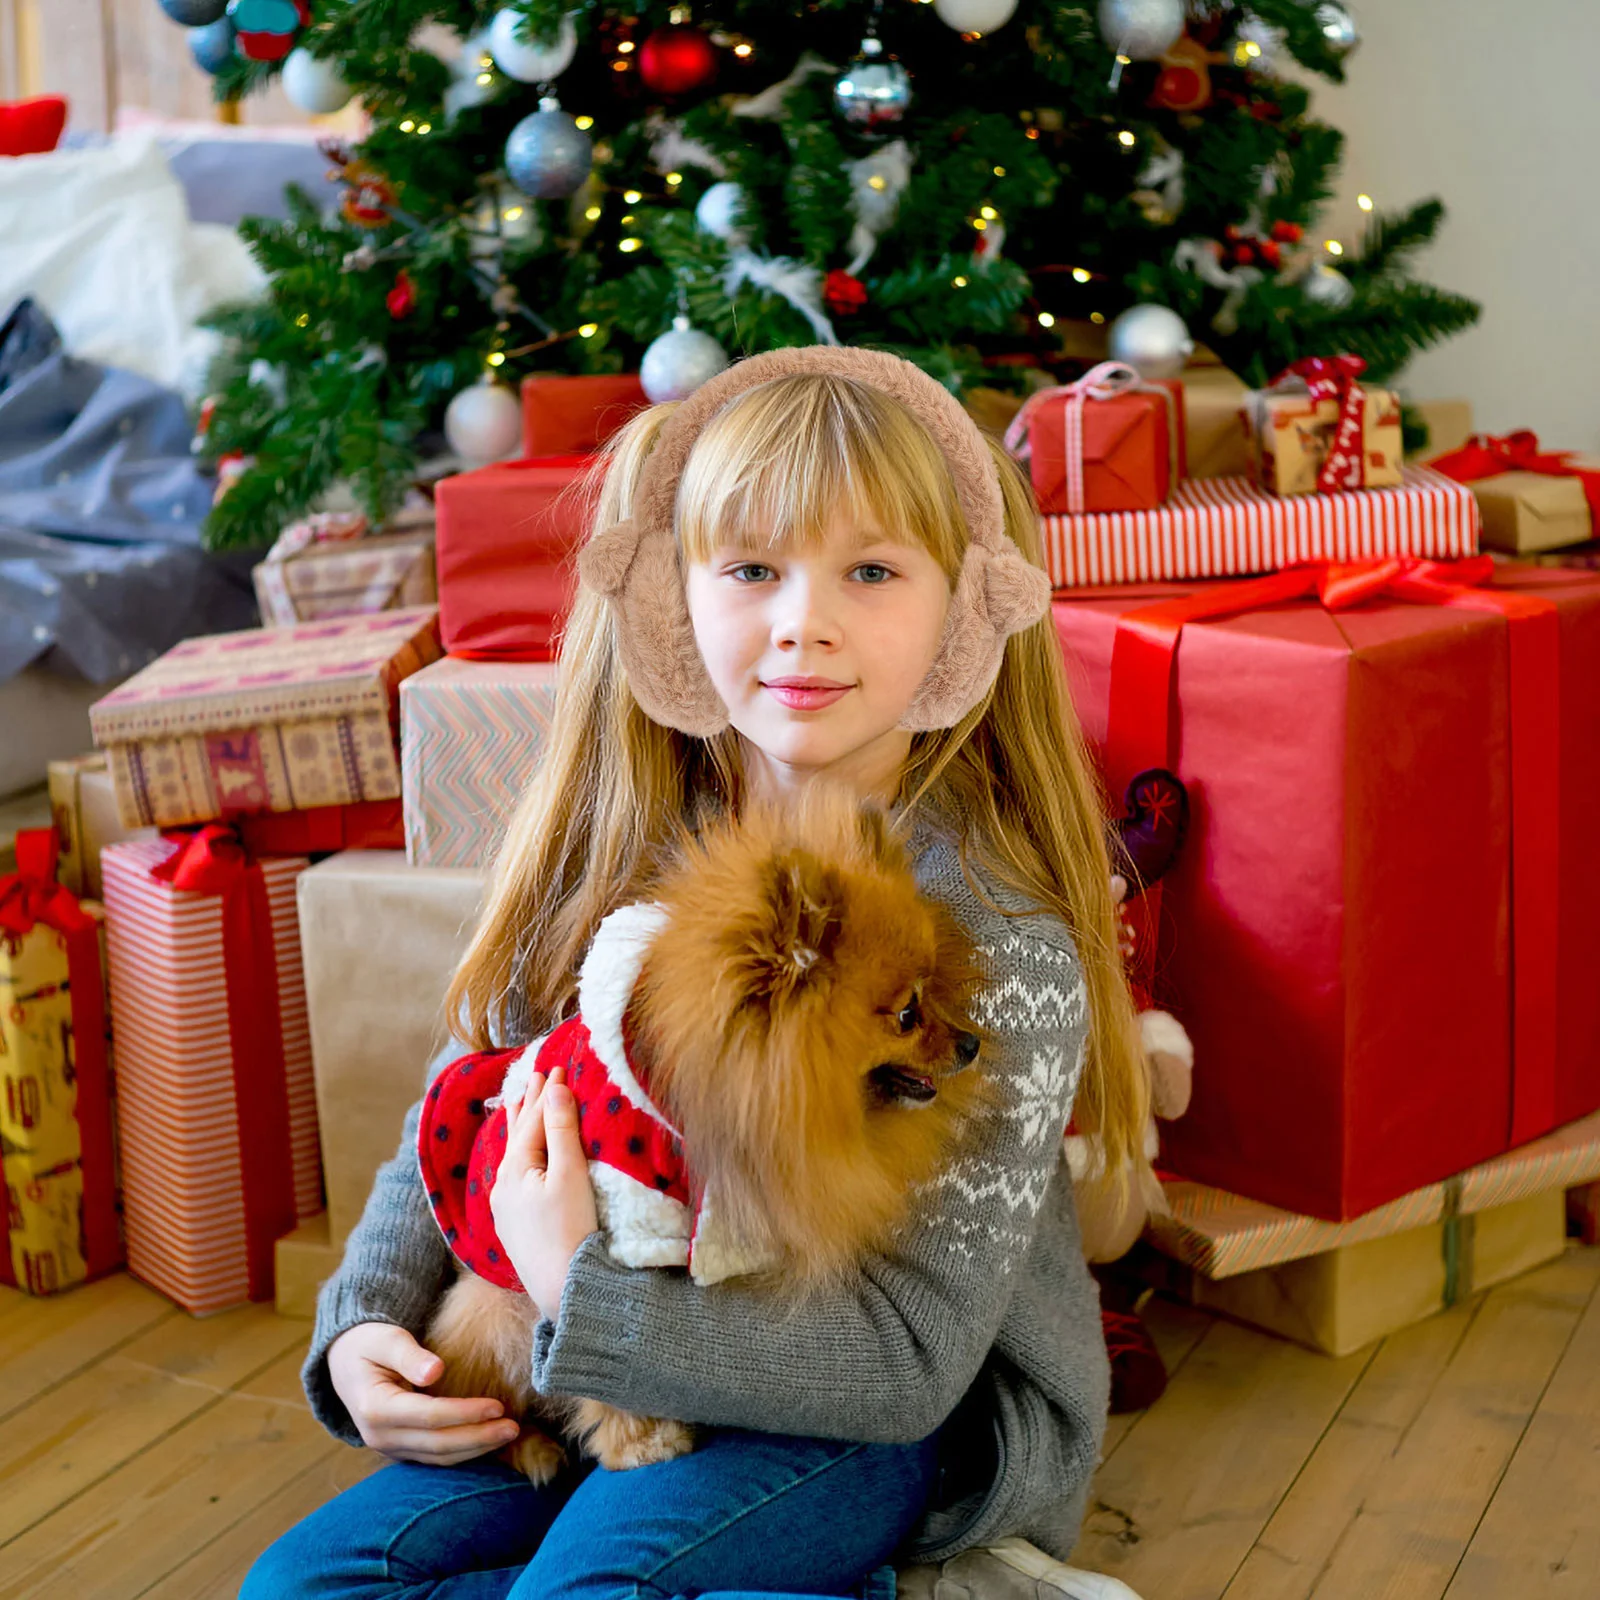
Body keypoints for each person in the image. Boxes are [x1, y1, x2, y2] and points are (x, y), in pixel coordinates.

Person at [243, 346, 1150, 1600]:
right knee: (301, 1591)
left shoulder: (995, 938)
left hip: (868, 1423)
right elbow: (461, 1109)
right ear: (674, 602)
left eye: (872, 571)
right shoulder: (619, 846)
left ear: (966, 607)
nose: (803, 622)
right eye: (751, 570)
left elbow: (903, 1363)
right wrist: (362, 1333)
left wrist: (575, 1286)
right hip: (580, 1374)